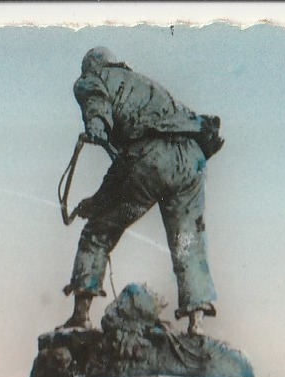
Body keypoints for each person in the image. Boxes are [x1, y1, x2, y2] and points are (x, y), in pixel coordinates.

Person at [62, 48, 224, 333]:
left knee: (97, 233)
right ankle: (196, 322)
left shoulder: (92, 79)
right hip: (192, 156)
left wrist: (96, 125)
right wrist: (97, 200)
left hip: (152, 157)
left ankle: (80, 317)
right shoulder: (141, 83)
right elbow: (123, 170)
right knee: (188, 239)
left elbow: (98, 105)